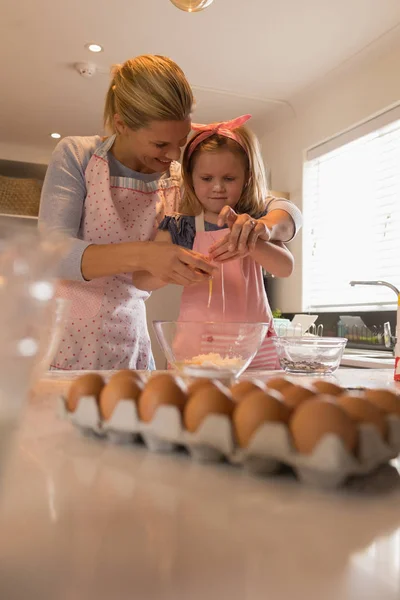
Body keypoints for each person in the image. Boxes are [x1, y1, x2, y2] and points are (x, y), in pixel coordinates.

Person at [39, 55, 301, 371]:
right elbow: (55, 255)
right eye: (161, 143)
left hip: (132, 339)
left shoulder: (180, 181)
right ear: (121, 124)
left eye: (180, 141)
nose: (174, 156)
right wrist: (146, 256)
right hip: (66, 337)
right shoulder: (78, 155)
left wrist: (264, 229)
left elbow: (283, 210)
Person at [132, 115, 300, 370]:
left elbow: (286, 267)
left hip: (255, 350)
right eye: (207, 178)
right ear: (190, 178)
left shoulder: (252, 222)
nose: (218, 187)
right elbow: (142, 280)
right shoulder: (180, 226)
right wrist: (172, 270)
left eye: (229, 179)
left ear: (246, 178)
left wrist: (250, 240)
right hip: (196, 351)